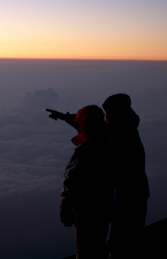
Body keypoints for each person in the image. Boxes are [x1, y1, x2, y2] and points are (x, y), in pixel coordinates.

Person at [55, 105, 114, 259]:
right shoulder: (110, 142)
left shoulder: (84, 153)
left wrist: (65, 208)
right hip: (105, 209)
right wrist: (64, 117)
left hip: (85, 214)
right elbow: (84, 121)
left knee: (86, 252)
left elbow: (70, 182)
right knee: (99, 246)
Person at [102, 94, 150, 259]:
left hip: (126, 199)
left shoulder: (120, 138)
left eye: (107, 115)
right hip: (137, 195)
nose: (105, 118)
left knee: (122, 245)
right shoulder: (127, 128)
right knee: (133, 238)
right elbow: (102, 129)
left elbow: (102, 133)